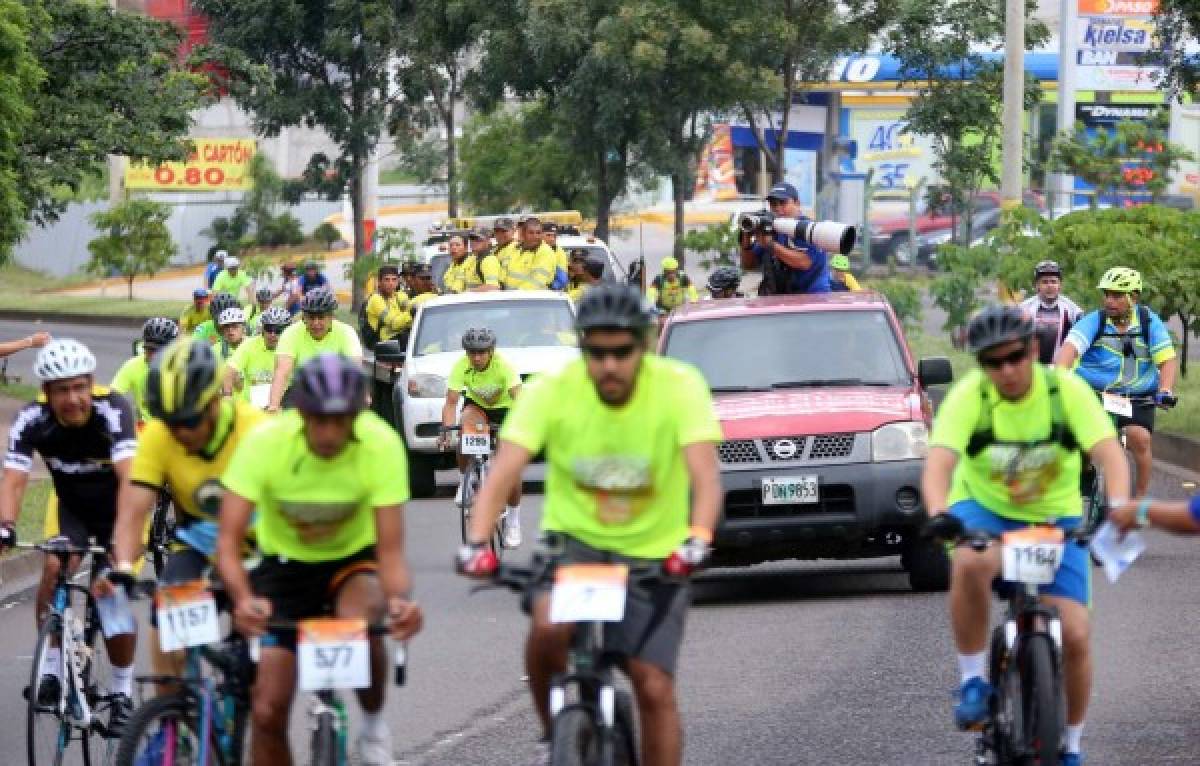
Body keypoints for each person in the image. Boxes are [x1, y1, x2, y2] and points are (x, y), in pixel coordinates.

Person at [456, 283, 723, 766]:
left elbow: (705, 479)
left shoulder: (681, 386)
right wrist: (477, 540)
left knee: (652, 682)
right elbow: (503, 471)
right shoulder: (552, 391)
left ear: (644, 343)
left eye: (623, 352)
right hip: (574, 547)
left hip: (654, 553)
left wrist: (697, 539)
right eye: (596, 352)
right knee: (547, 631)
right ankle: (552, 735)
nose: (610, 365)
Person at [922, 305, 1131, 766]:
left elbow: (1108, 456)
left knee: (1075, 634)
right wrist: (939, 512)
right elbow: (939, 463)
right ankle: (974, 679)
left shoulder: (1066, 392)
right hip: (984, 510)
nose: (1006, 370)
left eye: (1015, 357)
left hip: (1053, 518)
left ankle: (1072, 745)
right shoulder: (970, 397)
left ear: (1033, 350)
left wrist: (1117, 508)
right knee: (969, 561)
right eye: (992, 363)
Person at [216, 354, 424, 766]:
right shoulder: (266, 444)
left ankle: (373, 722)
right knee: (267, 708)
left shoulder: (380, 443)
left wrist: (400, 602)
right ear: (302, 414)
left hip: (351, 563)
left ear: (356, 416)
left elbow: (391, 551)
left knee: (362, 623)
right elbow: (228, 541)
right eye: (319, 420)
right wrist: (243, 600)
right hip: (284, 568)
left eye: (341, 421)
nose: (330, 433)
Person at [96, 337, 268, 685]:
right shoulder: (161, 435)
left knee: (261, 678)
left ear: (213, 403)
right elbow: (133, 511)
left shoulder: (255, 431)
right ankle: (173, 723)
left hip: (259, 544)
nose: (179, 432)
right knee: (167, 636)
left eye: (188, 421)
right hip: (199, 542)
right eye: (170, 421)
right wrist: (125, 566)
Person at [0, 339, 139, 732]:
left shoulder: (113, 410)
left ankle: (123, 692)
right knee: (52, 567)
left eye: (79, 386)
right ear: (46, 393)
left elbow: (131, 479)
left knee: (110, 591)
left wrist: (123, 542)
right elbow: (12, 481)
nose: (73, 398)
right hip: (74, 510)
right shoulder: (32, 420)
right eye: (62, 389)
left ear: (91, 383)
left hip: (120, 510)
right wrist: (6, 525)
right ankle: (49, 671)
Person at [1055, 267, 1177, 497]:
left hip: (1136, 398)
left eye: (1117, 295)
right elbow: (1068, 351)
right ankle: (1086, 470)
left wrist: (1165, 389)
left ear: (1134, 297)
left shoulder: (1149, 322)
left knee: (1140, 439)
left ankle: (1139, 500)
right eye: (1107, 294)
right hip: (1094, 394)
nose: (1110, 301)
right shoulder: (1094, 321)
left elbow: (1167, 360)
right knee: (1082, 440)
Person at [438, 328, 524, 547]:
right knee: (465, 425)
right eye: (472, 353)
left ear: (491, 351)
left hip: (506, 410)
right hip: (477, 408)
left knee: (510, 467)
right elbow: (450, 402)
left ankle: (513, 522)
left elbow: (521, 401)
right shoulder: (461, 366)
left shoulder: (503, 367)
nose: (476, 358)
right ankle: (465, 480)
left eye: (481, 353)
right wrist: (447, 430)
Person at [267, 286, 363, 412]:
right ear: (304, 318)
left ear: (331, 317)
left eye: (321, 317)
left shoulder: (347, 332)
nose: (316, 323)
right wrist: (273, 406)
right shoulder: (291, 333)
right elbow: (282, 373)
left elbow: (354, 370)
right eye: (311, 317)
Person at [739, 182, 831, 295]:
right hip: (781, 303)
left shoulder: (809, 229)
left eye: (783, 203)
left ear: (797, 203)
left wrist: (771, 245)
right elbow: (748, 265)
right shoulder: (772, 229)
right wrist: (746, 237)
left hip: (812, 301)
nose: (777, 208)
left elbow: (804, 262)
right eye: (773, 204)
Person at [111, 317, 180, 424]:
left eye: (158, 351)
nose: (152, 356)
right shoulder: (133, 365)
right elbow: (112, 395)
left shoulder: (185, 366)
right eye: (149, 349)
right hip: (146, 429)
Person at [1020, 260, 1082, 365]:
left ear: (1060, 285)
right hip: (1032, 369)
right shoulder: (1024, 309)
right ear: (1036, 286)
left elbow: (1080, 341)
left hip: (1062, 370)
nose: (1050, 285)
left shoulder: (1073, 310)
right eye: (1045, 282)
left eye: (1053, 281)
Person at [227, 306, 290, 407]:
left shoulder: (292, 348)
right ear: (262, 329)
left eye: (278, 330)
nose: (273, 334)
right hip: (250, 409)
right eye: (269, 329)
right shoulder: (248, 344)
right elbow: (229, 371)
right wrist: (227, 396)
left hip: (281, 408)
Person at [503, 216, 557, 290]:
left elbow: (536, 282)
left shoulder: (545, 252)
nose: (535, 236)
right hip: (509, 297)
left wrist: (514, 295)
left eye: (538, 233)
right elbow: (502, 273)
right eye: (531, 233)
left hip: (532, 299)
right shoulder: (513, 248)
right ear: (523, 234)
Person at [543, 222, 569, 288]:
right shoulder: (532, 248)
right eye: (548, 235)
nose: (552, 239)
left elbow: (562, 279)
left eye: (554, 236)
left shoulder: (559, 252)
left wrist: (551, 287)